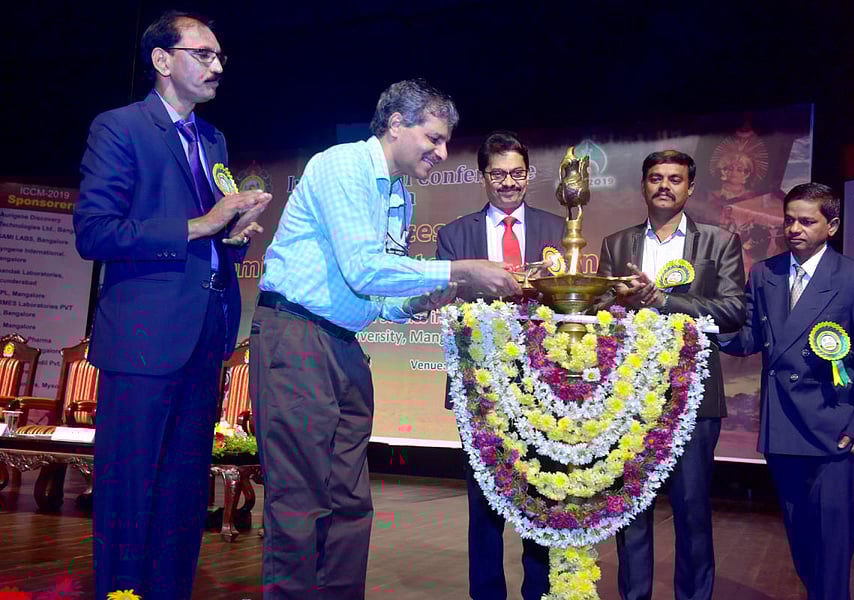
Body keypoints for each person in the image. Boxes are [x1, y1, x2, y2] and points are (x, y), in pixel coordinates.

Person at [250, 79, 521, 599]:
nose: (442, 153)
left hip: (344, 345)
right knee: (299, 501)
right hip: (297, 338)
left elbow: (376, 297)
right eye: (434, 138)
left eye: (446, 142)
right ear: (396, 124)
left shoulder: (398, 195)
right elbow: (363, 269)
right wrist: (460, 269)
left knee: (350, 503)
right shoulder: (343, 166)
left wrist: (420, 301)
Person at [73, 10, 272, 598]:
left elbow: (210, 233)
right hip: (143, 340)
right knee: (129, 491)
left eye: (220, 57)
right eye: (202, 54)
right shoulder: (119, 128)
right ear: (162, 60)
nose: (216, 66)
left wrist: (231, 234)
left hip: (205, 333)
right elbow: (95, 233)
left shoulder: (213, 140)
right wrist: (200, 224)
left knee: (185, 494)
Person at [720, 183, 854, 599]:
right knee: (802, 544)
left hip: (836, 432)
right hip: (783, 429)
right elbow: (749, 338)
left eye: (806, 221)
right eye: (789, 220)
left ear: (832, 225)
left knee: (832, 546)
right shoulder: (765, 274)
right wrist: (702, 328)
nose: (794, 229)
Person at [597, 150, 746, 600]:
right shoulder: (616, 244)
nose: (665, 186)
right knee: (631, 511)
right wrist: (619, 301)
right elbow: (601, 312)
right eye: (656, 178)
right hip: (628, 397)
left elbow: (733, 311)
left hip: (693, 396)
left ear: (691, 187)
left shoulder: (719, 242)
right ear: (643, 185)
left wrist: (663, 300)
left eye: (675, 179)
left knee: (692, 510)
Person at [435, 130, 566, 600]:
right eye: (499, 174)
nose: (509, 182)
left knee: (541, 494)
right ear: (483, 177)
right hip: (480, 383)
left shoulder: (558, 230)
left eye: (517, 173)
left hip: (544, 384)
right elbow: (445, 302)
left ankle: (540, 591)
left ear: (528, 175)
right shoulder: (454, 235)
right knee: (484, 501)